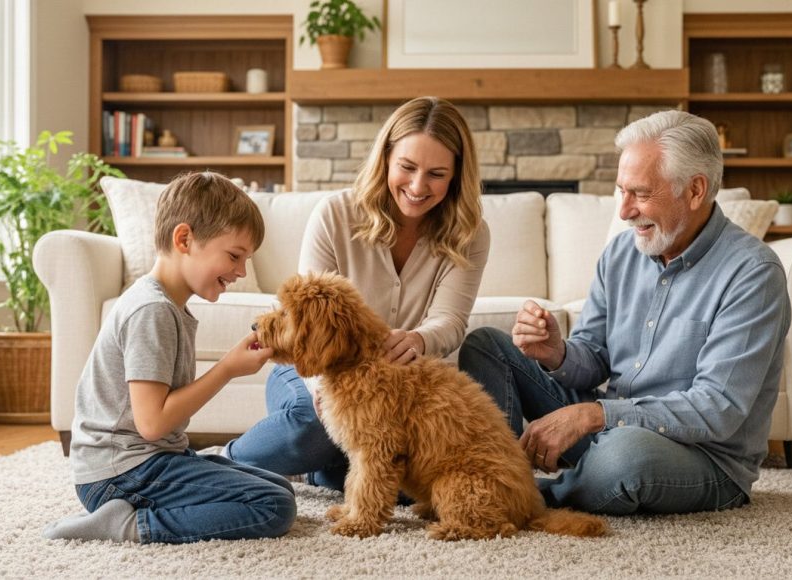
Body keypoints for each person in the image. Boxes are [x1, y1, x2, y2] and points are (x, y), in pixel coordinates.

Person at [458, 110, 790, 515]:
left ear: (696, 190)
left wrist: (593, 415)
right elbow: (594, 358)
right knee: (487, 345)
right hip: (612, 428)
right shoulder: (621, 252)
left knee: (625, 459)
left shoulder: (752, 273)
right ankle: (490, 474)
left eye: (641, 193)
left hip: (700, 457)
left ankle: (519, 496)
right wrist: (555, 352)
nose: (624, 211)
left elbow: (716, 409)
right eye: (621, 192)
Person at [224, 96, 491, 490]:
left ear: (456, 176)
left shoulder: (470, 233)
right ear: (385, 158)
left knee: (394, 462)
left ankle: (329, 471)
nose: (418, 187)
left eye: (436, 174)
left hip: (399, 386)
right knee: (313, 431)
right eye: (407, 167)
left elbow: (450, 320)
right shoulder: (334, 214)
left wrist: (419, 338)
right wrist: (323, 393)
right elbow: (303, 317)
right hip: (314, 366)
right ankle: (216, 464)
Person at [43, 172, 296, 543]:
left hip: (144, 461)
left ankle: (146, 506)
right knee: (274, 506)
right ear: (184, 239)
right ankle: (127, 524)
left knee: (278, 486)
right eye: (234, 256)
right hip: (120, 473)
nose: (241, 271)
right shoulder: (152, 311)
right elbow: (153, 423)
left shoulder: (167, 307)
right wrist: (227, 369)